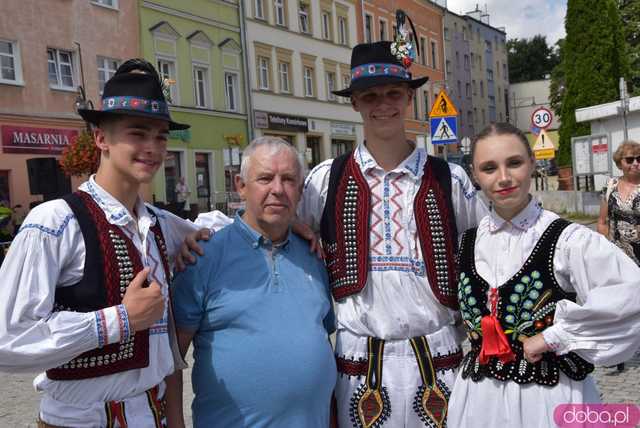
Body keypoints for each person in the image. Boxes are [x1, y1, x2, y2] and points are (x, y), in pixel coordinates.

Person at [298, 22, 486, 428]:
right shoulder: (325, 179)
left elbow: (487, 252)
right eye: (370, 95)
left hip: (441, 360)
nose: (382, 104)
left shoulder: (449, 179)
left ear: (410, 98)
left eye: (393, 93)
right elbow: (286, 235)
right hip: (357, 364)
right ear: (355, 104)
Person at [0, 59, 200, 427]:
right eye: (138, 133)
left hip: (152, 415)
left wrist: (298, 224)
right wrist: (120, 320)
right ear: (101, 138)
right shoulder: (55, 223)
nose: (153, 147)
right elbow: (7, 338)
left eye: (160, 136)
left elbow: (219, 232)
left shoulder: (160, 224)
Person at [448, 123, 640, 428]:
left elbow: (631, 295)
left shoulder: (567, 239)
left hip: (548, 398)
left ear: (532, 163)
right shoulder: (465, 243)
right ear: (474, 174)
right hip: (478, 400)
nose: (504, 177)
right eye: (489, 168)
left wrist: (554, 337)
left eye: (514, 162)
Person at [172, 137, 336, 427]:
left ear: (299, 190)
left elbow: (320, 348)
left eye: (288, 179)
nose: (277, 189)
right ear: (240, 185)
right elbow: (170, 362)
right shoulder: (203, 257)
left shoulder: (313, 256)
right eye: (264, 178)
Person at [597, 140, 640, 371]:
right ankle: (618, 355)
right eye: (630, 159)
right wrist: (607, 246)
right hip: (617, 253)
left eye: (639, 159)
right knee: (617, 304)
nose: (635, 163)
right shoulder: (611, 186)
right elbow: (602, 221)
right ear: (620, 163)